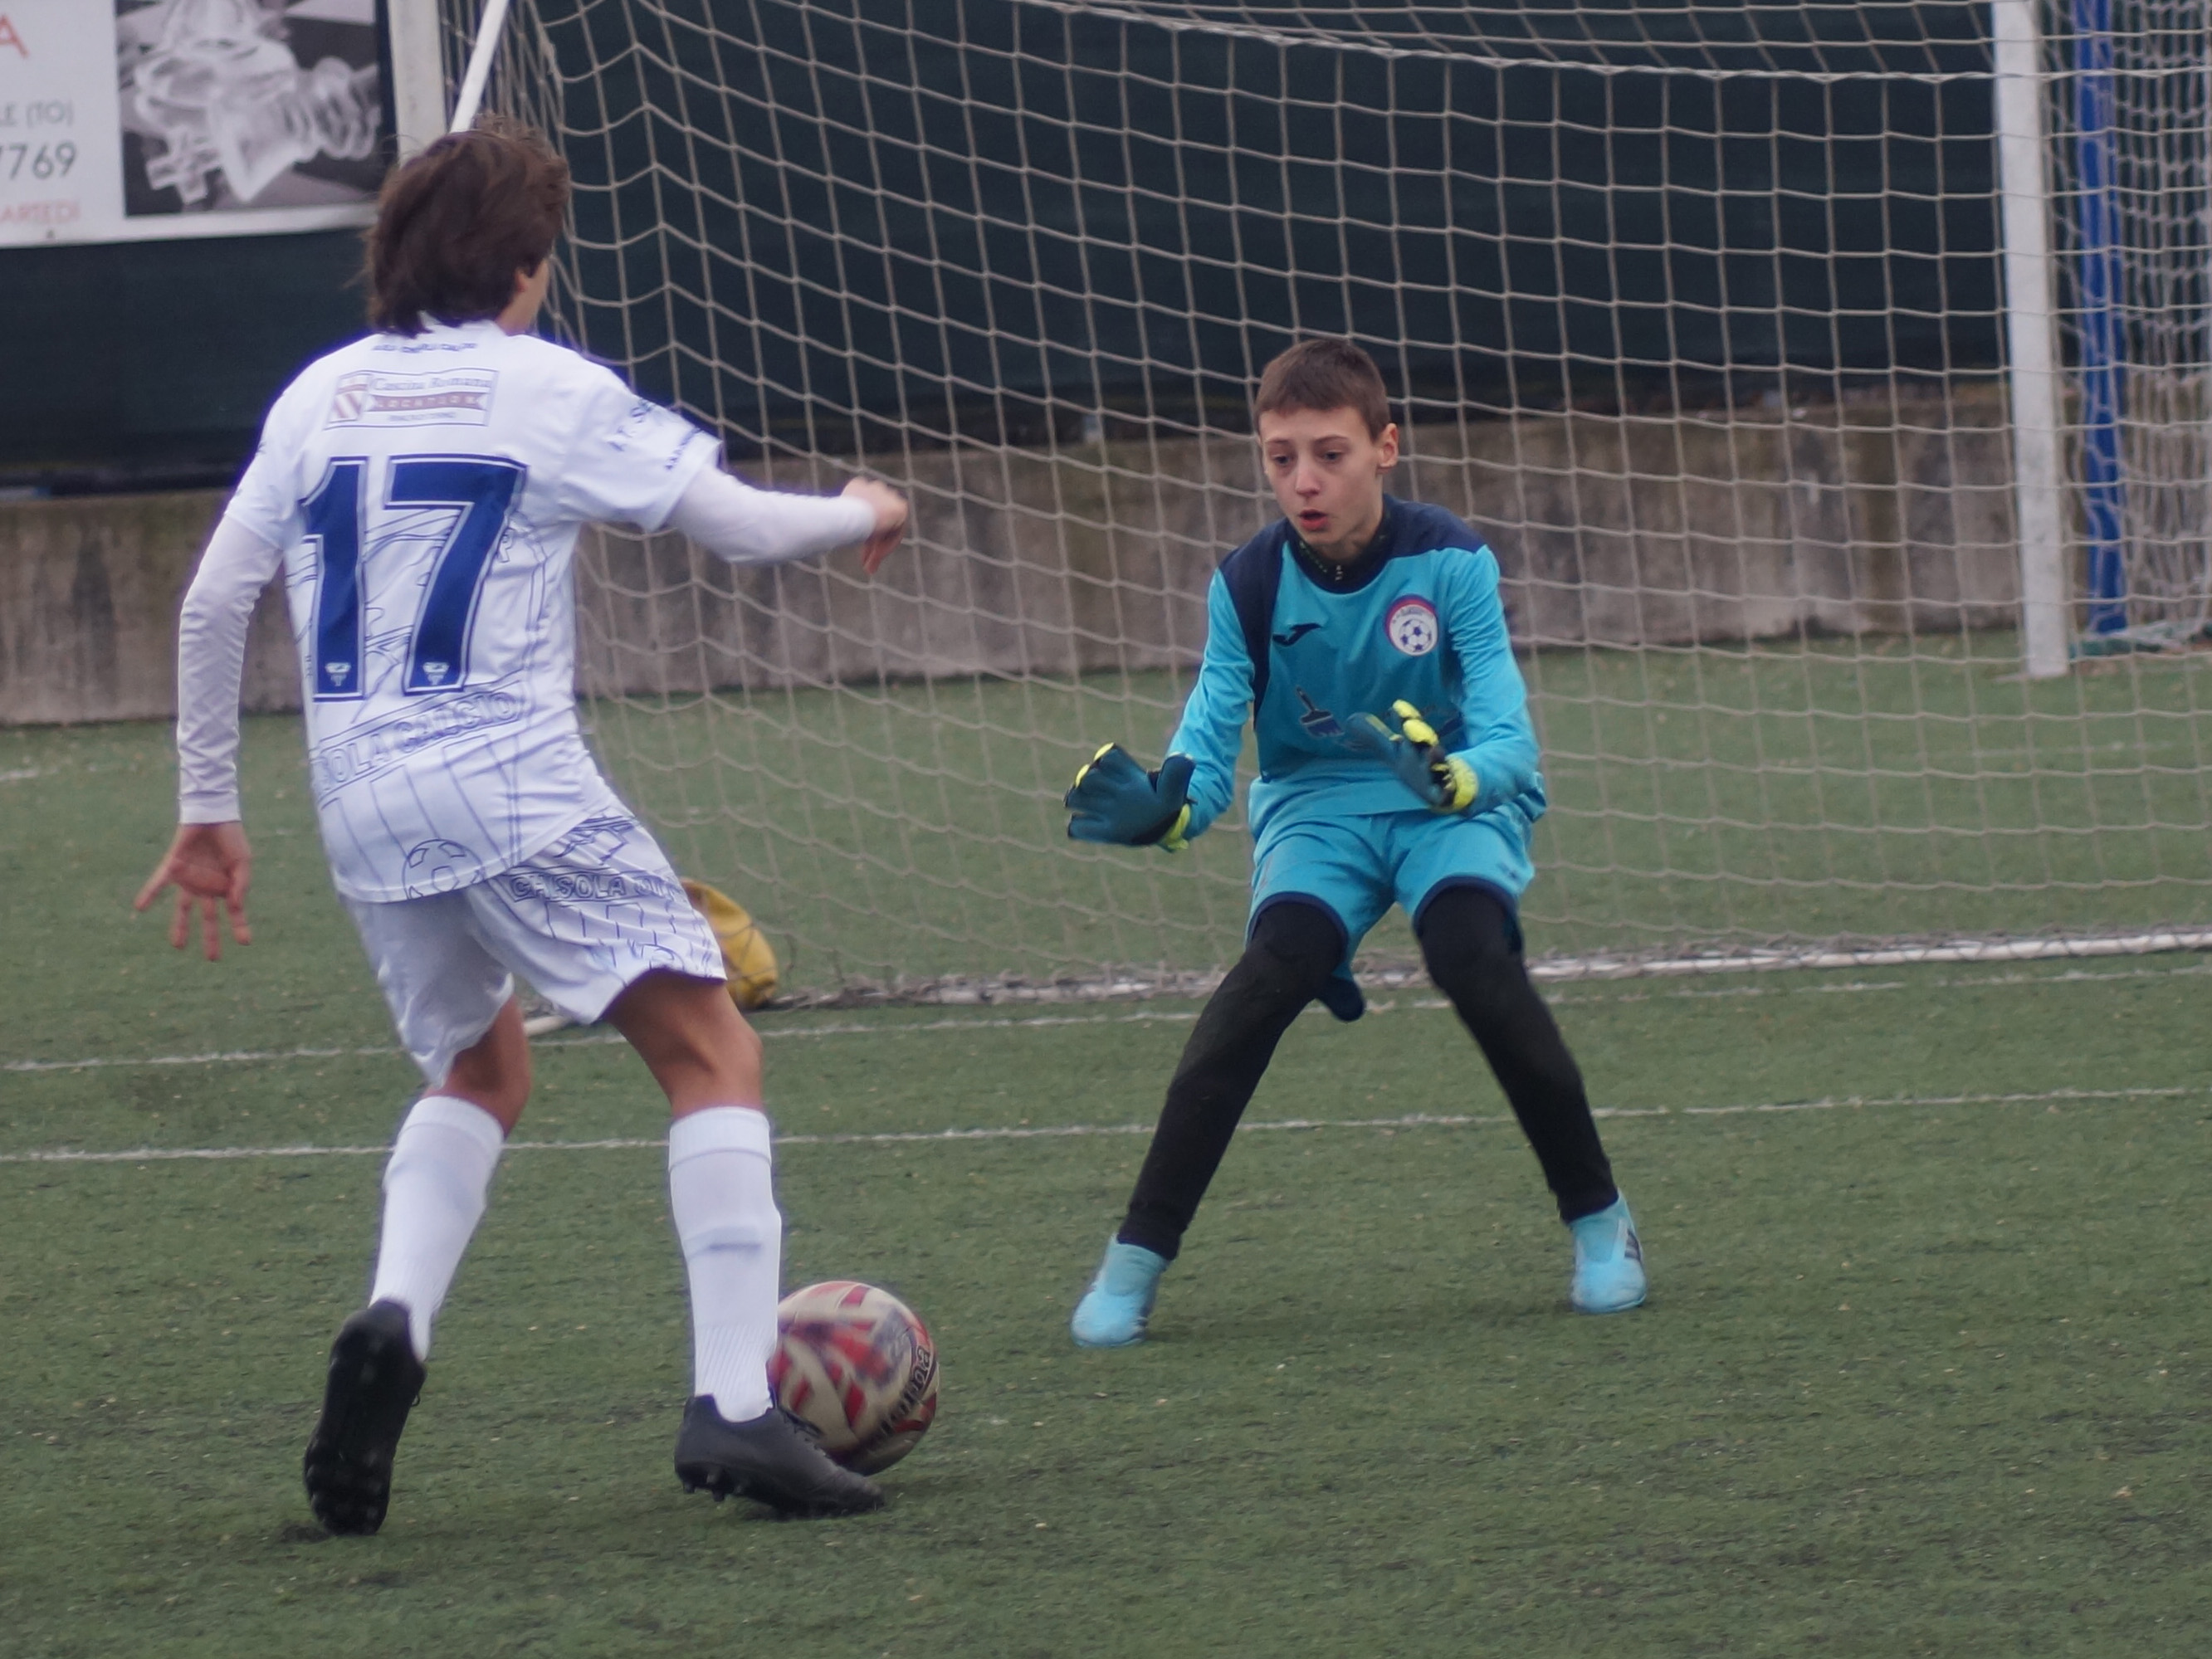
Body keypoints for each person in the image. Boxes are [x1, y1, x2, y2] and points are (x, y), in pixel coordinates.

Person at [134, 120, 906, 1529]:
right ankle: (736, 1405)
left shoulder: (317, 395)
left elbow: (211, 603)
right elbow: (735, 525)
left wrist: (206, 805)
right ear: (526, 266)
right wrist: (856, 507)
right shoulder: (550, 387)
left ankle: (395, 1312)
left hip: (359, 798)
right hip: (509, 777)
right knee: (713, 1050)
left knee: (479, 1066)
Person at [1062, 338, 1643, 1347]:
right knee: (1263, 983)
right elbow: (1207, 746)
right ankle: (1134, 1261)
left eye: (1328, 454)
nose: (1304, 481)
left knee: (1471, 957)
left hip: (1446, 800)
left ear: (1385, 448)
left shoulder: (1450, 562)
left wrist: (1454, 779)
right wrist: (1171, 811)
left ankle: (1601, 1223)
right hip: (1316, 809)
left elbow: (1509, 740)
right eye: (1280, 457)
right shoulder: (1247, 583)